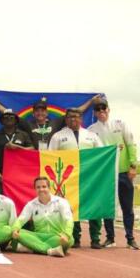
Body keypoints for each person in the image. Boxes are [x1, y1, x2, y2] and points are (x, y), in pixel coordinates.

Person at [87, 98, 139, 249]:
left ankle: (130, 238)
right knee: (108, 206)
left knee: (127, 207)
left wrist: (133, 166)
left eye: (104, 109)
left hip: (123, 172)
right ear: (94, 113)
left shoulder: (120, 124)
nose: (101, 112)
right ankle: (110, 238)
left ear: (108, 110)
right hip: (105, 174)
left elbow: (131, 144)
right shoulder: (91, 130)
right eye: (98, 110)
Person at [49, 107, 104, 249]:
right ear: (66, 119)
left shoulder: (92, 135)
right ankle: (75, 237)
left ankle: (95, 238)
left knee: (94, 206)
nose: (74, 119)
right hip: (69, 178)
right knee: (71, 207)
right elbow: (50, 156)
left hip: (91, 177)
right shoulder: (58, 136)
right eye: (70, 117)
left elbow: (102, 154)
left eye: (76, 116)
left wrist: (115, 150)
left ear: (81, 119)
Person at [0, 92, 101, 150]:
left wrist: (91, 101)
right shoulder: (28, 124)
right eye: (37, 111)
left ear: (47, 113)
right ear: (33, 114)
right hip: (33, 158)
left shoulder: (55, 122)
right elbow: (9, 114)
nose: (40, 113)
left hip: (50, 156)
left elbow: (76, 113)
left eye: (43, 111)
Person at [11, 177, 73, 257]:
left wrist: (66, 235)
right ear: (35, 189)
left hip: (56, 236)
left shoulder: (61, 202)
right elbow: (21, 219)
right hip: (38, 237)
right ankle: (50, 251)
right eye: (38, 187)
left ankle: (33, 248)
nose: (41, 189)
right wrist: (15, 229)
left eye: (44, 187)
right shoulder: (31, 204)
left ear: (49, 188)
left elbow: (68, 220)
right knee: (17, 234)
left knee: (69, 240)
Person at [0, 109, 32, 193]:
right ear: (2, 121)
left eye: (11, 117)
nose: (9, 119)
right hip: (1, 176)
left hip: (20, 176)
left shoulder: (23, 135)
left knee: (19, 199)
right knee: (1, 199)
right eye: (6, 117)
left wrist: (17, 147)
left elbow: (32, 150)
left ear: (16, 120)